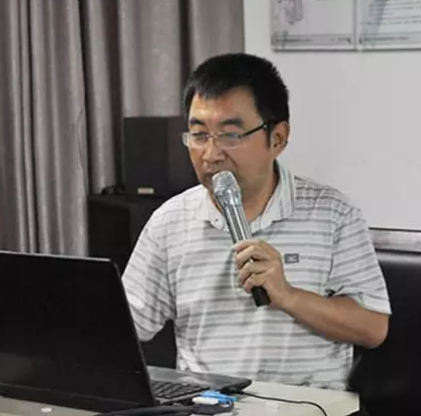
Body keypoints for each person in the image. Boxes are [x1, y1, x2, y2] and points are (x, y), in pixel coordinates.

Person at [122, 53, 391, 390]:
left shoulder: (333, 214)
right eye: (199, 134)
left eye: (230, 135)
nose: (211, 154)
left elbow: (373, 328)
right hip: (208, 407)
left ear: (277, 138)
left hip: (308, 408)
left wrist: (288, 296)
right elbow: (125, 325)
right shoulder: (169, 222)